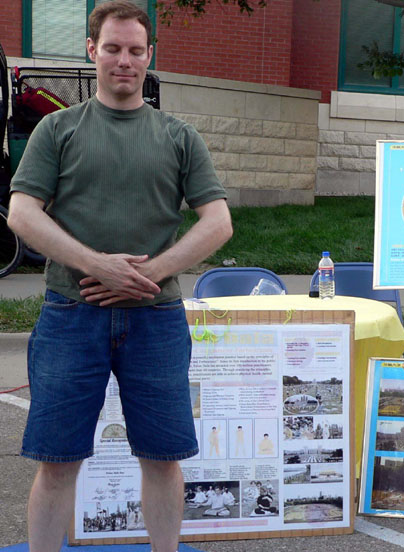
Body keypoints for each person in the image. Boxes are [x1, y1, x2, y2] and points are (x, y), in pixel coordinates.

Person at [6, 2, 232, 552]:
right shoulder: (57, 129)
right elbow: (22, 214)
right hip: (70, 314)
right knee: (58, 461)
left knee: (163, 458)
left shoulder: (179, 136)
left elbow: (218, 222)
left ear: (149, 55)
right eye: (112, 48)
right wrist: (97, 265)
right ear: (92, 51)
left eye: (135, 50)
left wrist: (147, 274)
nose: (124, 60)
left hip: (155, 318)